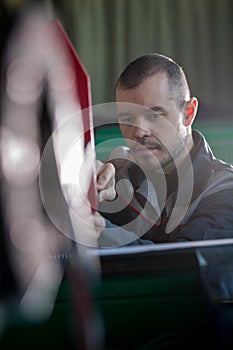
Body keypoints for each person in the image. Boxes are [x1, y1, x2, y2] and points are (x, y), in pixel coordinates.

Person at [96, 53, 233, 247]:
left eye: (155, 116)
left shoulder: (225, 189)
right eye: (127, 119)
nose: (139, 132)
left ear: (188, 113)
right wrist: (98, 198)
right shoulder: (120, 170)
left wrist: (100, 233)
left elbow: (182, 266)